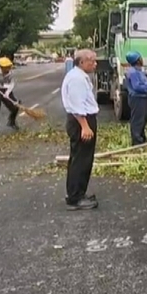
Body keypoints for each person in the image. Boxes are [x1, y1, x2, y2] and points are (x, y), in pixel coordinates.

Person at [60, 49, 100, 211]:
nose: (95, 64)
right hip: (80, 121)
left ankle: (77, 193)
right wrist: (85, 126)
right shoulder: (76, 79)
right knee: (81, 160)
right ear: (82, 62)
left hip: (81, 119)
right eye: (92, 61)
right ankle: (75, 197)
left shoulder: (79, 76)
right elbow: (77, 104)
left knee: (81, 158)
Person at [125, 51, 147, 145]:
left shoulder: (138, 70)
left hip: (143, 98)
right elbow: (137, 86)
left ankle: (142, 138)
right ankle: (137, 141)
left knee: (143, 119)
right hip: (137, 98)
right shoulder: (133, 72)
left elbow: (144, 82)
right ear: (137, 60)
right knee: (138, 120)